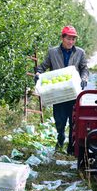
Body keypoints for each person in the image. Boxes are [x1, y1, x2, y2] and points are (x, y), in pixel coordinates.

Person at [34, 26, 89, 155]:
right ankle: (60, 138)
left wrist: (84, 78)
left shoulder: (80, 52)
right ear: (62, 38)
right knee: (59, 120)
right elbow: (42, 67)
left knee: (73, 120)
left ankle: (71, 147)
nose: (71, 42)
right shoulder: (53, 52)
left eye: (73, 39)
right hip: (58, 93)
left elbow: (84, 68)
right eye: (68, 38)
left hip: (74, 93)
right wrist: (37, 74)